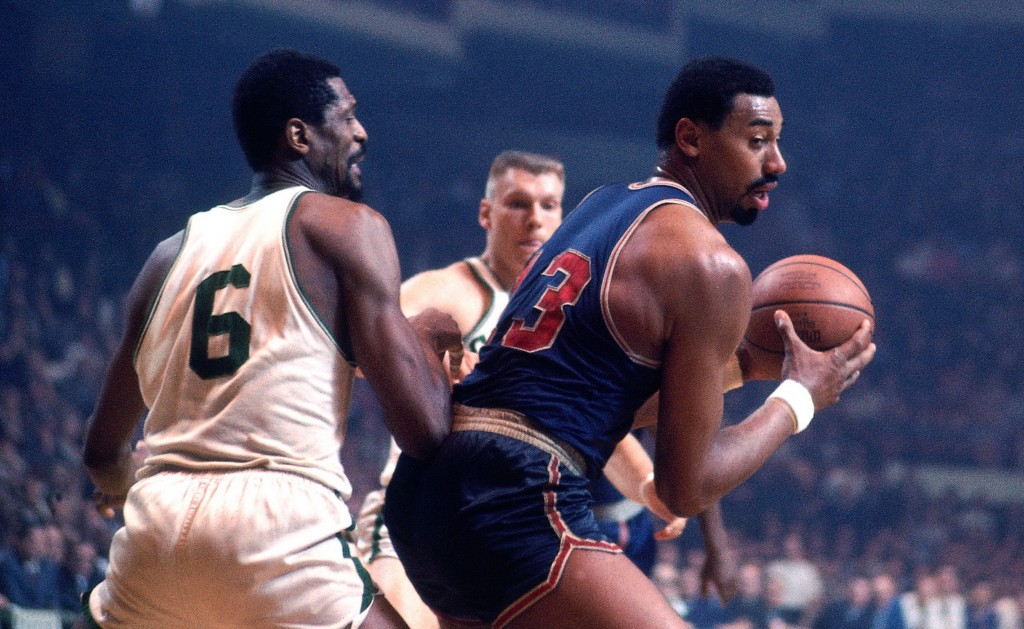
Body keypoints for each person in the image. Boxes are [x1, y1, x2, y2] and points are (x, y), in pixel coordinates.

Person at [384, 55, 876, 629]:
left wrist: (743, 366)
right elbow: (684, 487)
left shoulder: (602, 204)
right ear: (690, 137)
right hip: (518, 494)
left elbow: (598, 395)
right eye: (758, 141)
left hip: (432, 487)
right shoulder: (711, 264)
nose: (777, 163)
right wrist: (798, 400)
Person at [75, 48, 462, 629]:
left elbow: (103, 452)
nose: (362, 132)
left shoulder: (165, 257)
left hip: (154, 528)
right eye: (348, 116)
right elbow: (424, 429)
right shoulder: (346, 227)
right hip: (278, 525)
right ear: (299, 136)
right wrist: (426, 341)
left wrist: (120, 491)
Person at [353, 150, 689, 627]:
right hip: (421, 522)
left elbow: (581, 427)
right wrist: (422, 358)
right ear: (486, 214)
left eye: (549, 205)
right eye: (518, 204)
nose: (535, 220)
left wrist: (650, 487)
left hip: (509, 534)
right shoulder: (450, 289)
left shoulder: (571, 313)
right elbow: (369, 341)